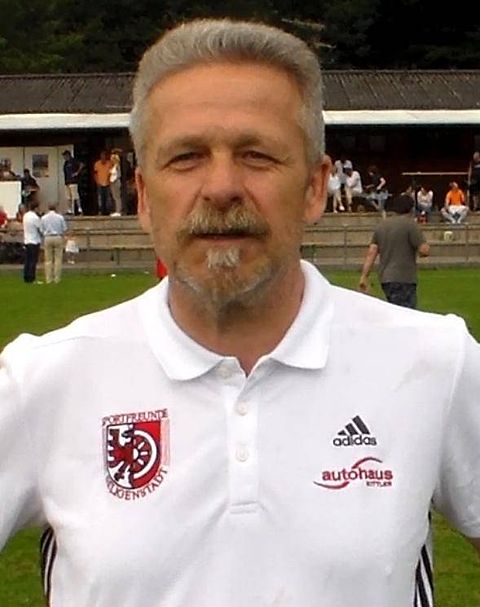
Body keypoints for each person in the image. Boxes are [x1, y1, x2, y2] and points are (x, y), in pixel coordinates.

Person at [0, 19, 478, 607]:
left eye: (257, 155)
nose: (221, 187)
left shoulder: (435, 362)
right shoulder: (42, 380)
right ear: (144, 197)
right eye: (186, 157)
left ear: (314, 188)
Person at [359, 193, 430, 308]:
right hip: (404, 277)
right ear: (411, 209)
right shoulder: (410, 225)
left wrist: (364, 276)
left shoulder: (381, 226)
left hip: (385, 278)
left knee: (393, 310)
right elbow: (424, 250)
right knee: (405, 313)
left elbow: (372, 253)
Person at [40, 203, 68, 284]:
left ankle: (48, 279)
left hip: (48, 237)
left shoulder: (44, 218)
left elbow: (41, 229)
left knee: (48, 260)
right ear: (55, 208)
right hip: (57, 236)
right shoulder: (60, 217)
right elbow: (64, 228)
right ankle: (57, 278)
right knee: (58, 259)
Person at [22, 199, 42, 283]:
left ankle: (26, 277)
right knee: (33, 261)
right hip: (34, 240)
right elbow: (40, 228)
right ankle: (32, 278)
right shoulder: (35, 217)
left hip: (27, 240)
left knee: (27, 260)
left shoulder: (25, 216)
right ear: (36, 208)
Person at [62, 150, 84, 215]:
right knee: (68, 197)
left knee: (75, 196)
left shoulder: (73, 161)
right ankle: (69, 210)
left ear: (68, 155)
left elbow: (81, 164)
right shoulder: (66, 163)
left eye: (65, 156)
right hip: (67, 182)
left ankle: (79, 209)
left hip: (73, 181)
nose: (64, 157)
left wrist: (77, 173)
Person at [93, 150, 113, 216]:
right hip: (100, 183)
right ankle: (101, 211)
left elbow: (112, 173)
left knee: (108, 198)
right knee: (100, 198)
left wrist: (110, 181)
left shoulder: (109, 163)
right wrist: (97, 181)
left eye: (104, 157)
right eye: (102, 157)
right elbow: (95, 174)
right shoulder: (97, 164)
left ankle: (108, 211)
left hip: (107, 183)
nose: (103, 158)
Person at [109, 149, 122, 216]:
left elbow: (117, 174)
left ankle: (118, 211)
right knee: (115, 197)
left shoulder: (117, 166)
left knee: (117, 197)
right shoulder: (114, 166)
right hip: (113, 182)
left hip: (115, 182)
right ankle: (117, 210)